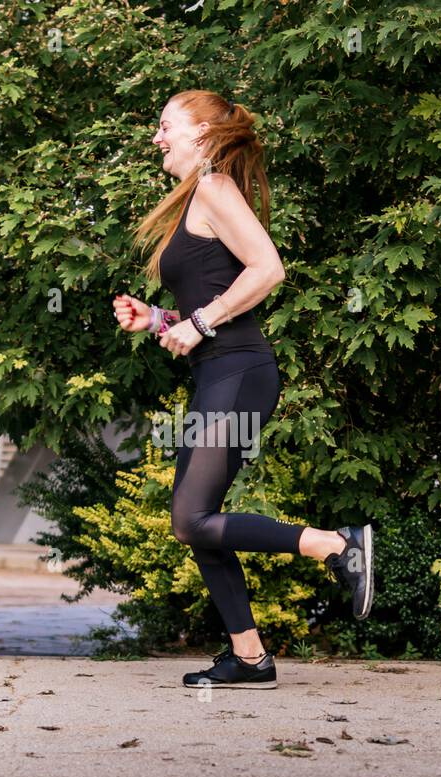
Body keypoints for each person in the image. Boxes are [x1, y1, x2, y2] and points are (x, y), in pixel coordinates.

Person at [113, 90, 374, 689]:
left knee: (192, 517)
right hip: (220, 371)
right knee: (194, 518)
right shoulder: (194, 199)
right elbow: (211, 296)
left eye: (165, 127)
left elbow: (268, 268)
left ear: (202, 135)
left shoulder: (213, 188)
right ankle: (250, 657)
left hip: (239, 372)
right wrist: (157, 321)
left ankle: (337, 544)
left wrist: (199, 322)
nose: (157, 138)